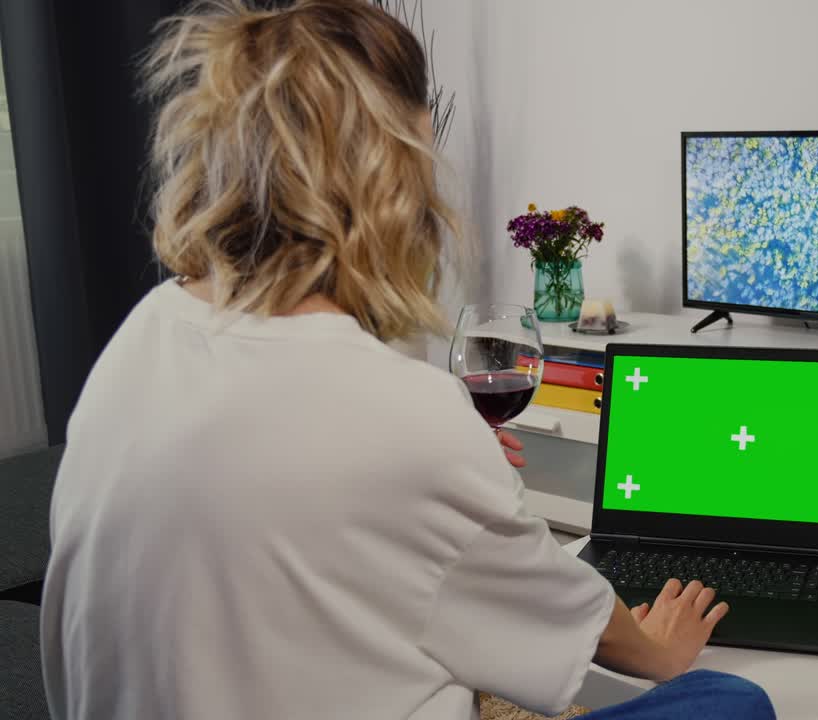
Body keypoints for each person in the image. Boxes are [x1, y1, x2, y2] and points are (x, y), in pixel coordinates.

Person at [38, 1, 775, 719]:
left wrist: (435, 482)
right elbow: (570, 617)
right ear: (391, 175)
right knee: (733, 700)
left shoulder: (147, 331)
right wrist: (659, 650)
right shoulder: (404, 413)